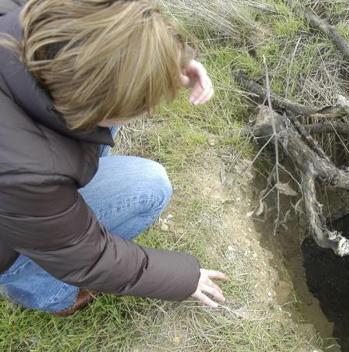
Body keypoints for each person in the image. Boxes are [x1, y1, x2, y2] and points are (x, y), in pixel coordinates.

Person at [0, 0, 227, 316]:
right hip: (8, 239)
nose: (149, 111)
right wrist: (185, 278)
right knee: (150, 186)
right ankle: (50, 294)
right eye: (142, 105)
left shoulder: (27, 19)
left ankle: (61, 213)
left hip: (22, 200)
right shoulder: (27, 173)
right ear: (92, 101)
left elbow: (113, 39)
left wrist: (165, 64)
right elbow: (89, 258)